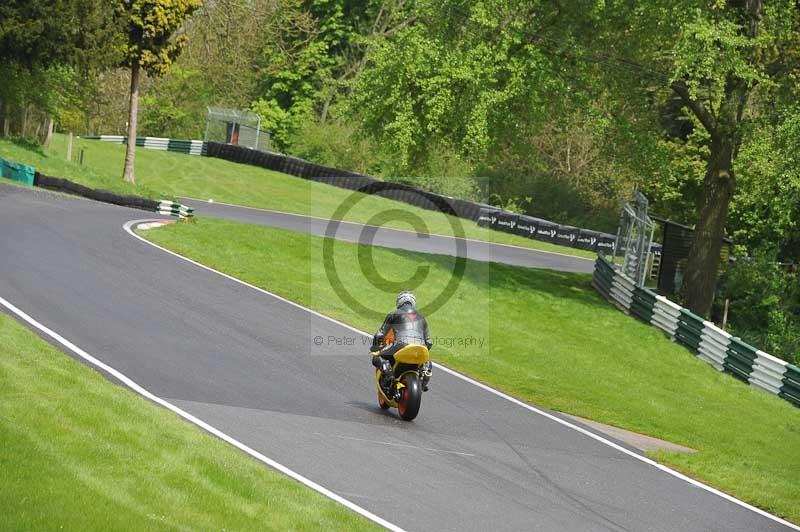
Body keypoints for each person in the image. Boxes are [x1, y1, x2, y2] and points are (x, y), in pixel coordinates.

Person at [371, 290, 433, 393]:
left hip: (400, 344)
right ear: (413, 302)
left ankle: (389, 376)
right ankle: (423, 380)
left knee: (377, 357)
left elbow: (380, 335)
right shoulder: (422, 317)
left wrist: (375, 348)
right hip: (420, 347)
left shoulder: (394, 313)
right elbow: (429, 342)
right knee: (427, 361)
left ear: (399, 302)